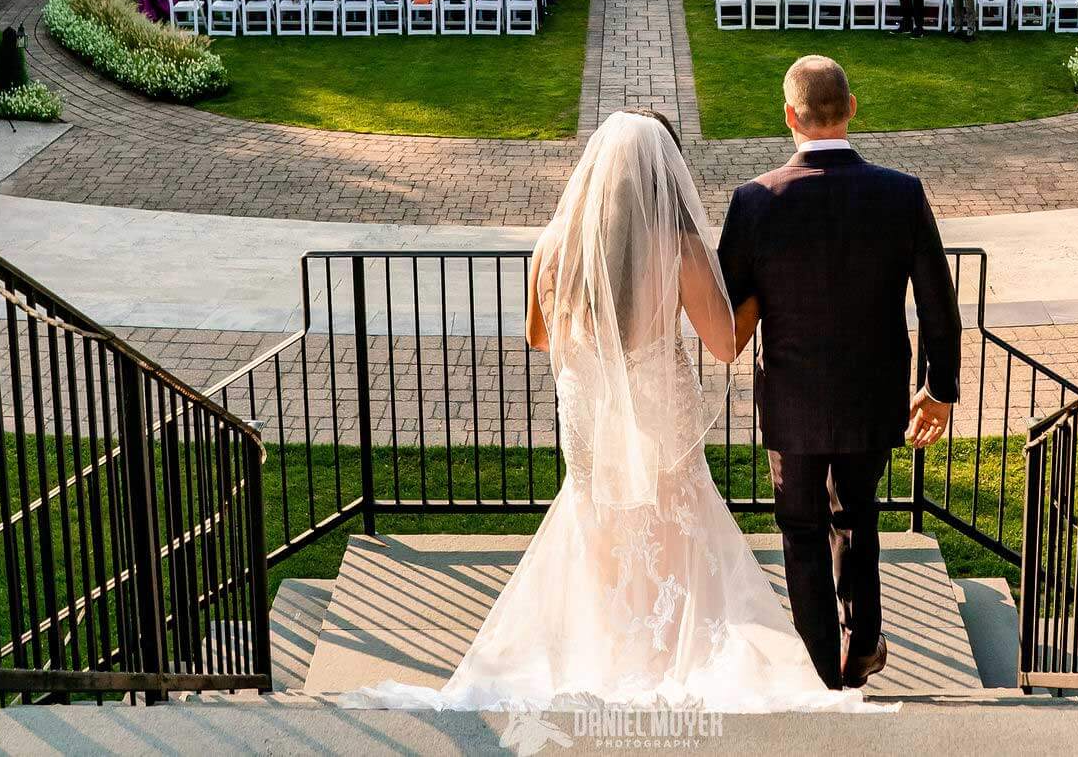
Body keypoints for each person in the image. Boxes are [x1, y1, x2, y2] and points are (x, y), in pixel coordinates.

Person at [346, 111, 872, 713]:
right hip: (658, 418)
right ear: (664, 177)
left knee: (598, 528)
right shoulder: (677, 247)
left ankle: (605, 650)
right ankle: (666, 650)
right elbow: (725, 345)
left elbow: (538, 337)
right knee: (673, 531)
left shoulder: (555, 244)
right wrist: (763, 296)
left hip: (589, 413)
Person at [717, 58, 958, 691]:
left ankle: (822, 667)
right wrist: (939, 389)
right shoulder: (901, 193)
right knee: (857, 512)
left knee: (799, 527)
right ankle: (863, 644)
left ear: (789, 115)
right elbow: (939, 300)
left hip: (792, 400)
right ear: (851, 107)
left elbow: (728, 314)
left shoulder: (753, 202)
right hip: (872, 394)